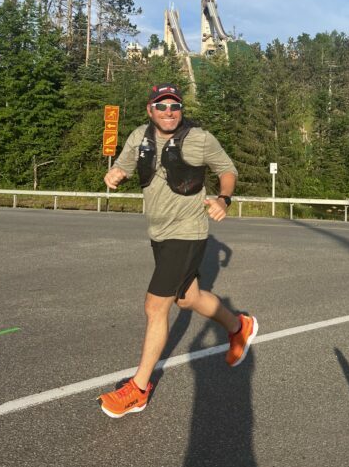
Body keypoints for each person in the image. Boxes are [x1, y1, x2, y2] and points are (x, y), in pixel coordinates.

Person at [98, 83, 258, 418]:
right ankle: (238, 326)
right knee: (188, 298)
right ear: (150, 110)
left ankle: (138, 389)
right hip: (159, 232)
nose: (169, 112)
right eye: (162, 106)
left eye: (175, 106)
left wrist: (224, 199)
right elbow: (125, 165)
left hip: (188, 231)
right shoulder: (139, 136)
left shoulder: (200, 139)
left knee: (156, 306)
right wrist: (115, 173)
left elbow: (227, 170)